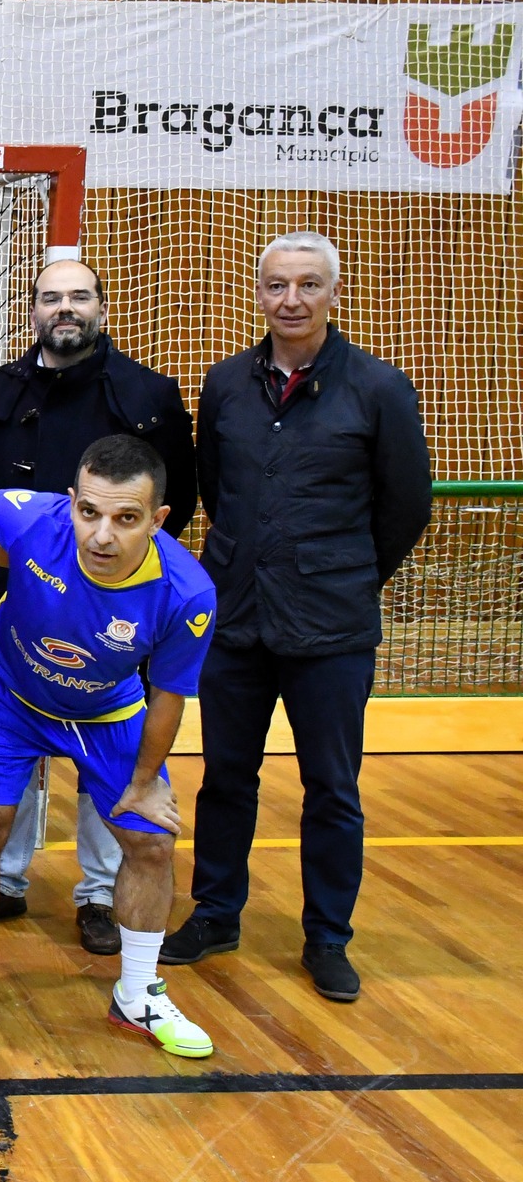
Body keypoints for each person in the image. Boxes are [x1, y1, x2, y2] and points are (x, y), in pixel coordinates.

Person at [164, 232, 431, 1003]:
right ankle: (216, 912)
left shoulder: (379, 388)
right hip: (237, 620)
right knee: (226, 778)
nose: (291, 300)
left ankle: (328, 938)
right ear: (259, 294)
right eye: (277, 285)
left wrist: (345, 574)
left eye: (308, 285)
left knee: (333, 788)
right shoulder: (223, 384)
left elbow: (405, 505)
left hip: (332, 628)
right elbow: (214, 488)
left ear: (332, 295)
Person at [0, 437, 219, 1058]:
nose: (102, 535)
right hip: (8, 696)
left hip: (107, 710)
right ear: (71, 503)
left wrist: (143, 782)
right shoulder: (32, 516)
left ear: (158, 520)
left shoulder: (188, 593)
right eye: (90, 513)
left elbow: (168, 696)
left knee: (151, 841)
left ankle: (138, 993)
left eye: (126, 519)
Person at [0, 258, 197, 957]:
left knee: (106, 751)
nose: (67, 308)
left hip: (121, 612)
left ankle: (97, 890)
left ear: (102, 306)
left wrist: (118, 578)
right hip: (12, 598)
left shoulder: (151, 394)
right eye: (52, 297)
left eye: (80, 296)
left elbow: (172, 501)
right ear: (31, 310)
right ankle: (3, 877)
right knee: (11, 745)